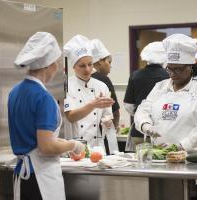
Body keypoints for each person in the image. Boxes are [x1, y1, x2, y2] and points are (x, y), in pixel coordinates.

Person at [8, 32, 85, 200]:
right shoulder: (43, 98)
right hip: (40, 179)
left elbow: (35, 138)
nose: (58, 67)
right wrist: (72, 145)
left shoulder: (14, 92)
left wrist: (62, 143)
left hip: (23, 176)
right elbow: (46, 147)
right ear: (48, 65)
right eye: (56, 62)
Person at [134, 34, 197, 154]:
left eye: (178, 69)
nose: (173, 74)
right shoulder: (160, 87)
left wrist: (180, 146)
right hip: (162, 156)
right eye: (169, 69)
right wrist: (145, 125)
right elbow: (143, 110)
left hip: (195, 159)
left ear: (190, 66)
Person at [63, 34, 115, 154]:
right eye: (82, 65)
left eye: (90, 64)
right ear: (74, 67)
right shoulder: (66, 86)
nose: (87, 69)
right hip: (75, 149)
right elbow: (71, 116)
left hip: (98, 149)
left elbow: (107, 115)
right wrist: (93, 104)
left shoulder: (102, 86)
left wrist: (107, 120)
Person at [123, 41, 169, 150]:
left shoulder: (135, 75)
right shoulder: (169, 76)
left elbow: (128, 105)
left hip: (139, 132)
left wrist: (140, 115)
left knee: (140, 164)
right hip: (162, 133)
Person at [91, 39, 120, 154]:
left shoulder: (77, 80)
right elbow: (115, 110)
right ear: (99, 62)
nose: (110, 67)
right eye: (109, 62)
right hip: (102, 136)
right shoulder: (103, 79)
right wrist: (115, 129)